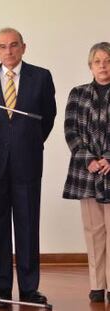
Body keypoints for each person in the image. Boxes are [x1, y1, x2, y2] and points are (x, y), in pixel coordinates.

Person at [0, 27, 56, 304]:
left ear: (23, 47)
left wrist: (27, 142)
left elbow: (47, 117)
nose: (8, 51)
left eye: (13, 45)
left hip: (28, 162)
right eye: (2, 46)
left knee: (27, 224)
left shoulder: (41, 77)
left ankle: (30, 288)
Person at [63, 42, 110, 303]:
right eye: (98, 61)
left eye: (107, 60)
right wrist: (88, 158)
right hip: (88, 171)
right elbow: (70, 130)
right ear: (90, 66)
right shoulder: (78, 93)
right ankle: (96, 285)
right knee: (93, 231)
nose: (103, 65)